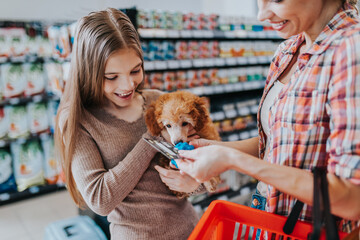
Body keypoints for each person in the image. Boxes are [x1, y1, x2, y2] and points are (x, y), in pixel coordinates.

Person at [174, 0, 360, 233]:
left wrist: (233, 161)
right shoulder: (288, 50)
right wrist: (218, 151)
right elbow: (278, 142)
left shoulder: (352, 48)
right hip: (270, 217)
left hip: (312, 229)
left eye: (277, 0)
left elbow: (352, 199)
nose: (262, 15)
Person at [54, 8, 202, 239]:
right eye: (111, 77)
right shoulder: (78, 120)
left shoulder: (160, 101)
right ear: (87, 73)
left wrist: (194, 183)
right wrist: (152, 137)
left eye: (135, 70)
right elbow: (100, 199)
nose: (128, 86)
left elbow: (206, 171)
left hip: (194, 230)